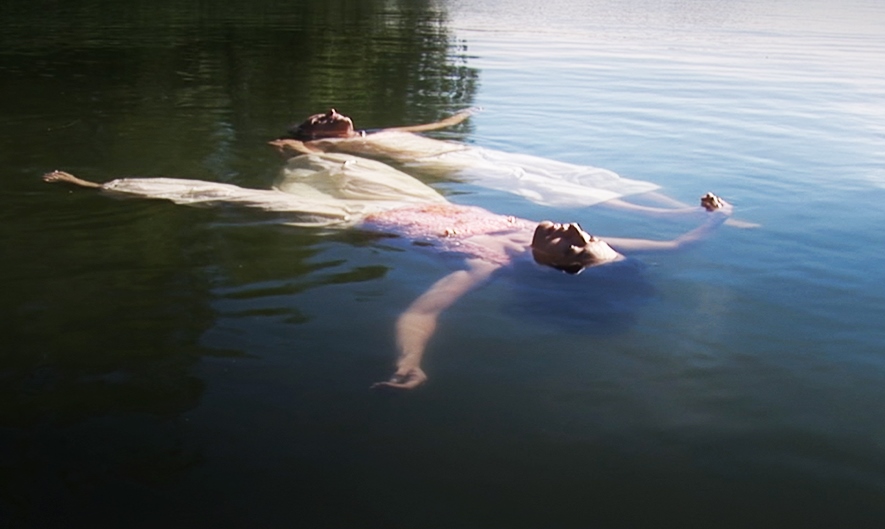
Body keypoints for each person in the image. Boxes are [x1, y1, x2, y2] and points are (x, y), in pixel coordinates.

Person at [43, 153, 732, 390]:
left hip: (355, 222)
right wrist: (716, 218)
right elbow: (671, 249)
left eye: (576, 247)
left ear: (556, 269)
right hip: (414, 200)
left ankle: (102, 187)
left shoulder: (488, 261)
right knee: (332, 154)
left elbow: (422, 311)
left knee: (231, 195)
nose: (579, 230)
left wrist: (411, 361)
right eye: (591, 234)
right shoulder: (538, 234)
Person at [271, 108, 737, 221]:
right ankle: (688, 216)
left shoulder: (377, 133)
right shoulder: (333, 149)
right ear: (314, 135)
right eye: (320, 118)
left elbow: (433, 126)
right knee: (559, 192)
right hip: (465, 170)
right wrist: (288, 143)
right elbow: (297, 151)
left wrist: (462, 116)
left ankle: (687, 208)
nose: (332, 112)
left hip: (477, 154)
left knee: (590, 177)